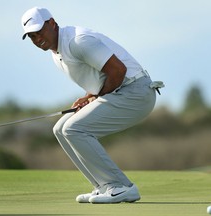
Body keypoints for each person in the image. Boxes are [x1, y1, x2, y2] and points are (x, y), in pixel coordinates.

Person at [21, 7, 164, 204]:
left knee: (74, 128)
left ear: (52, 23)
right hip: (121, 91)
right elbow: (101, 75)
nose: (37, 39)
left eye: (39, 32)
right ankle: (104, 185)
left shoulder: (78, 41)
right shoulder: (57, 52)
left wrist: (95, 98)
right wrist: (89, 96)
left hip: (136, 92)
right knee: (61, 129)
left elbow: (118, 71)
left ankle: (121, 187)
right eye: (32, 37)